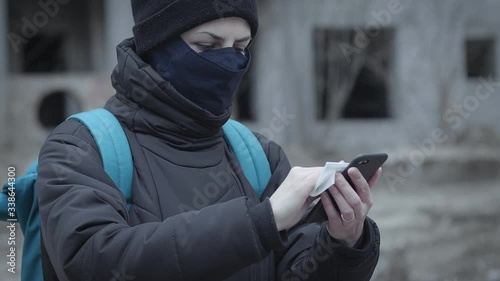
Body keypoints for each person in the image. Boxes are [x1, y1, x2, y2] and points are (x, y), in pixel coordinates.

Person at [37, 1, 382, 280]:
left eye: (241, 46)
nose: (229, 61)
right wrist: (263, 222)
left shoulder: (258, 156)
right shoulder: (79, 147)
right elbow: (93, 262)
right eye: (207, 45)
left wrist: (344, 242)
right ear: (156, 45)